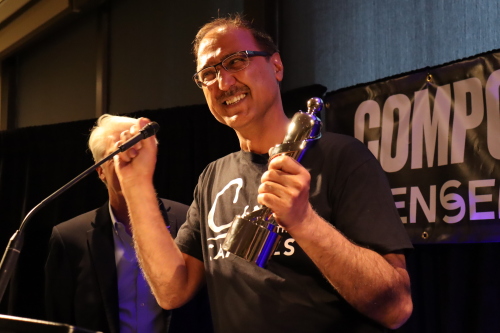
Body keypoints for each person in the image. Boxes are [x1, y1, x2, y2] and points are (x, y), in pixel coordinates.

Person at [113, 14, 413, 333]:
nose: (224, 83)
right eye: (208, 73)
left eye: (237, 61)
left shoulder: (344, 158)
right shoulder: (213, 176)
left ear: (277, 66)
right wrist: (136, 186)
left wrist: (303, 221)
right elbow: (172, 292)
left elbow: (396, 308)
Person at [44, 114, 212, 333]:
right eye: (119, 152)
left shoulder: (189, 220)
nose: (129, 158)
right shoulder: (69, 238)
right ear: (100, 171)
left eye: (137, 150)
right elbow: (58, 320)